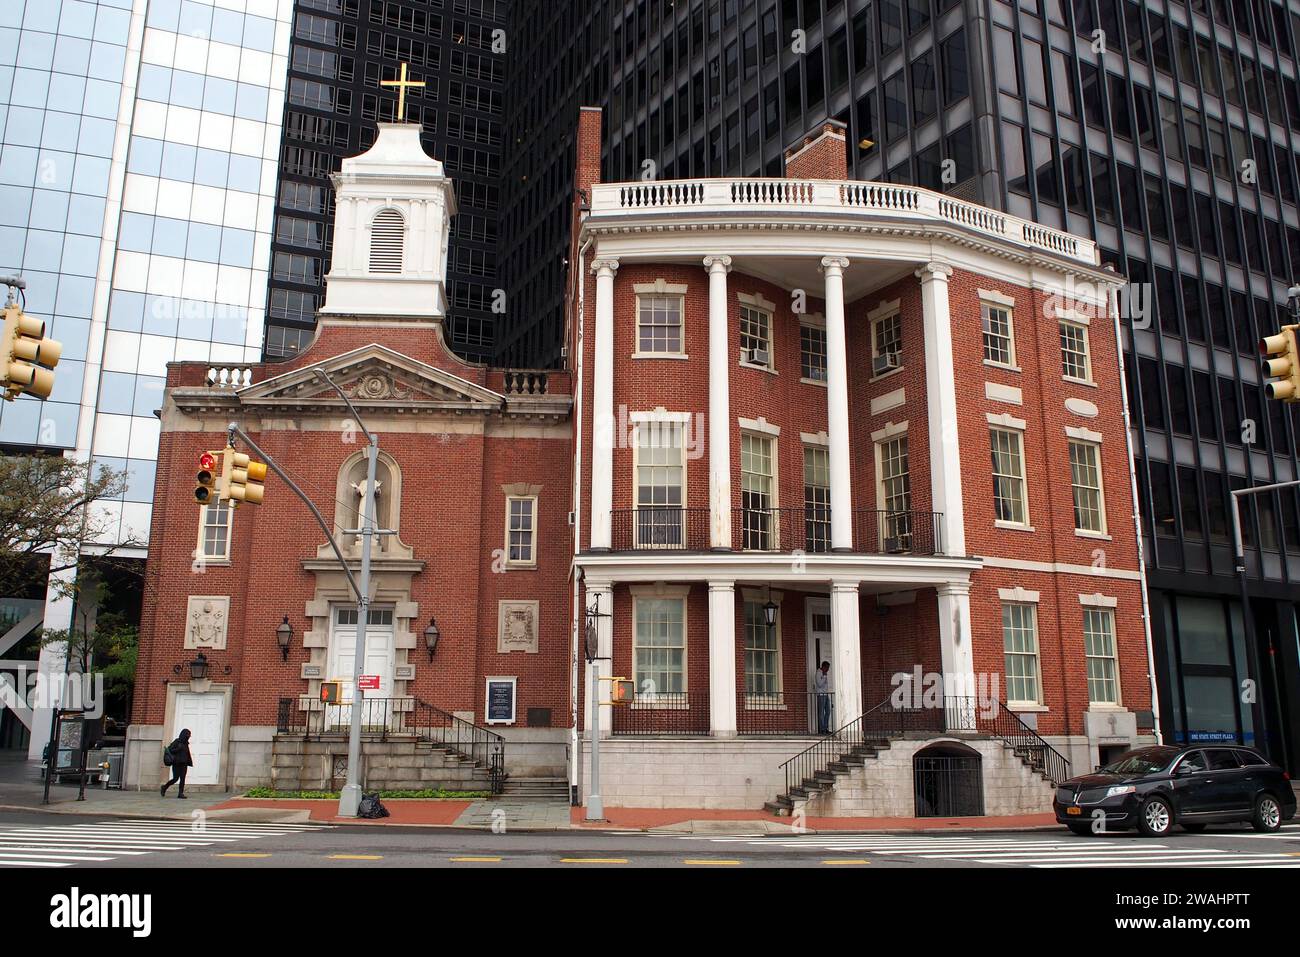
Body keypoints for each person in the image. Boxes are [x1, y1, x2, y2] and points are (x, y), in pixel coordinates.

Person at [161, 729, 193, 799]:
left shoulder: (186, 743)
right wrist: (177, 749)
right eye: (188, 734)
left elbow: (186, 753)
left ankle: (180, 793)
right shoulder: (177, 742)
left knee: (183, 778)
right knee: (175, 779)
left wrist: (189, 761)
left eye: (189, 735)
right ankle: (164, 787)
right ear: (184, 735)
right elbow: (169, 750)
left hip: (184, 763)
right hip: (176, 763)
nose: (189, 736)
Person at [814, 661, 832, 734]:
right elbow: (819, 684)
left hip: (826, 694)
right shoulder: (818, 673)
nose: (828, 670)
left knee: (828, 711)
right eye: (827, 668)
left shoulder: (824, 673)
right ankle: (822, 729)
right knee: (821, 713)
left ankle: (825, 727)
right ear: (824, 667)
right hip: (821, 695)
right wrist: (824, 676)